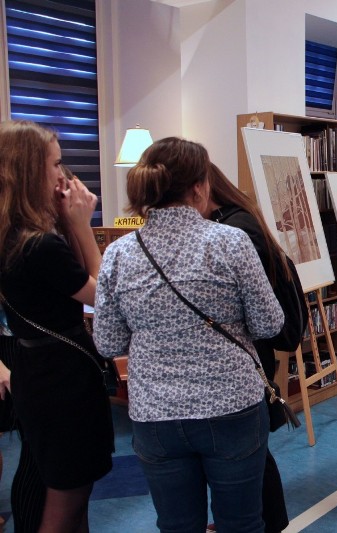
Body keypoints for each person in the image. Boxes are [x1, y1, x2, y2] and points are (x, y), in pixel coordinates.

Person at [94, 137, 284, 531]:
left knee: (177, 525)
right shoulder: (231, 242)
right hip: (231, 406)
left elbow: (108, 343)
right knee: (242, 523)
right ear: (199, 187)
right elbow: (269, 323)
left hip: (155, 413)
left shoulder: (118, 253)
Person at [0, 120, 114, 530]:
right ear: (31, 171)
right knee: (68, 496)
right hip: (61, 381)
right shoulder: (40, 245)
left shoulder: (14, 235)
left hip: (40, 374)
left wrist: (70, 223)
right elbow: (105, 295)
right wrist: (83, 226)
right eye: (55, 164)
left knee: (65, 488)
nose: (63, 175)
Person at [204, 163, 308, 533]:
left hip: (248, 352)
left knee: (252, 456)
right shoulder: (241, 218)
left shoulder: (234, 229)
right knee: (252, 454)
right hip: (253, 350)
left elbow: (256, 310)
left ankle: (266, 523)